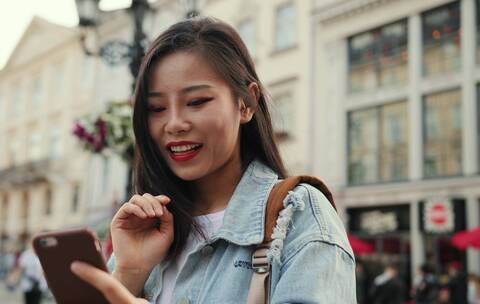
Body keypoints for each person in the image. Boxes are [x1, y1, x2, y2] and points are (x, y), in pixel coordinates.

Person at [69, 17, 356, 303]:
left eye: (196, 102)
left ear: (246, 104)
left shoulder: (299, 214)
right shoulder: (142, 231)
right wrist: (130, 272)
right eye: (156, 108)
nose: (174, 124)